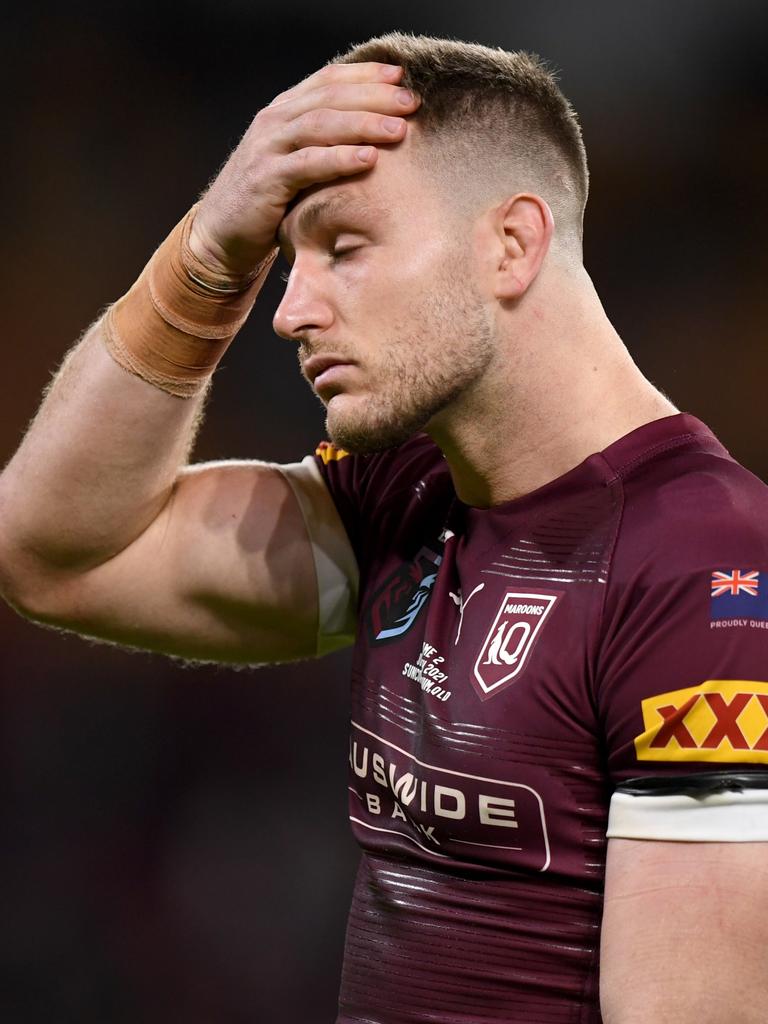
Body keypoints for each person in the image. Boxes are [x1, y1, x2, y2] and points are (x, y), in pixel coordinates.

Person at [1, 29, 767, 1024]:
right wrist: (206, 256)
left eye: (346, 248)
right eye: (281, 259)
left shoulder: (707, 570)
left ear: (511, 243)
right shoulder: (404, 497)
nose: (289, 311)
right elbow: (54, 550)